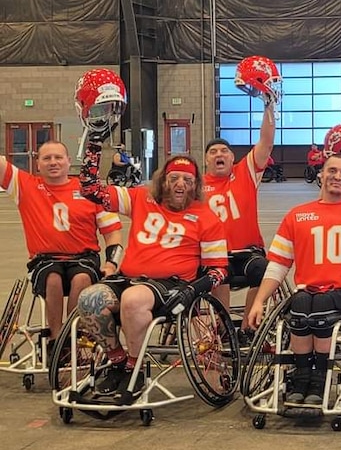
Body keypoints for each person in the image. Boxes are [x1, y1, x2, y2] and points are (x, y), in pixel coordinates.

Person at [77, 148, 228, 404]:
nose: (180, 185)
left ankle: (136, 368)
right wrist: (93, 145)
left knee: (133, 300)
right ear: (163, 180)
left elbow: (218, 270)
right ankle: (119, 362)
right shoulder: (140, 199)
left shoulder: (207, 218)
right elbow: (91, 190)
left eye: (187, 180)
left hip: (171, 285)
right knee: (89, 299)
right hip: (129, 277)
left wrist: (194, 289)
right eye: (174, 178)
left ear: (195, 186)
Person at [245, 154, 341, 405]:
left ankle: (320, 378)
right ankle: (303, 376)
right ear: (321, 175)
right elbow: (279, 264)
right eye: (332, 171)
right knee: (300, 303)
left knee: (321, 305)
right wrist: (260, 301)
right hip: (310, 292)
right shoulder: (298, 215)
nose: (338, 176)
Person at [0, 143, 123, 343]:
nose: (53, 162)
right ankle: (57, 341)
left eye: (58, 157)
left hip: (84, 258)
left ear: (68, 162)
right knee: (53, 279)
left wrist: (111, 264)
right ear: (37, 164)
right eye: (46, 158)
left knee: (81, 279)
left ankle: (73, 335)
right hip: (45, 260)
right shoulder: (24, 186)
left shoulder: (90, 191)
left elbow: (113, 233)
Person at [202, 96, 275, 315]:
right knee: (218, 274)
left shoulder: (245, 172)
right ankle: (223, 327)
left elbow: (266, 142)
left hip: (248, 252)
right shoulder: (196, 185)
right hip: (215, 254)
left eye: (224, 151)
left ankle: (247, 326)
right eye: (213, 152)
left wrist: (269, 106)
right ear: (206, 160)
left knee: (263, 270)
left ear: (232, 157)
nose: (219, 154)